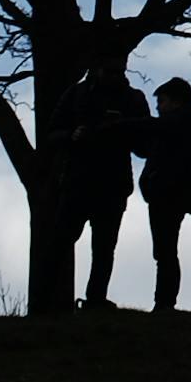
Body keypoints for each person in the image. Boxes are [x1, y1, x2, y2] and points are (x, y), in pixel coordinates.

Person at [68, 62, 153, 309]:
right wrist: (73, 135)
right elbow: (55, 132)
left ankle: (91, 300)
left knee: (102, 247)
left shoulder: (132, 98)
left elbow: (144, 145)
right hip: (83, 180)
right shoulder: (78, 94)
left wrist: (123, 128)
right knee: (72, 241)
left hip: (107, 183)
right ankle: (79, 300)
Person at [134, 76, 191, 313]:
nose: (158, 106)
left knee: (165, 252)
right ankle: (164, 303)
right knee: (166, 251)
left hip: (167, 196)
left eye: (162, 101)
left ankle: (164, 303)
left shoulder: (176, 129)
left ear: (176, 102)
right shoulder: (185, 130)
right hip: (168, 195)